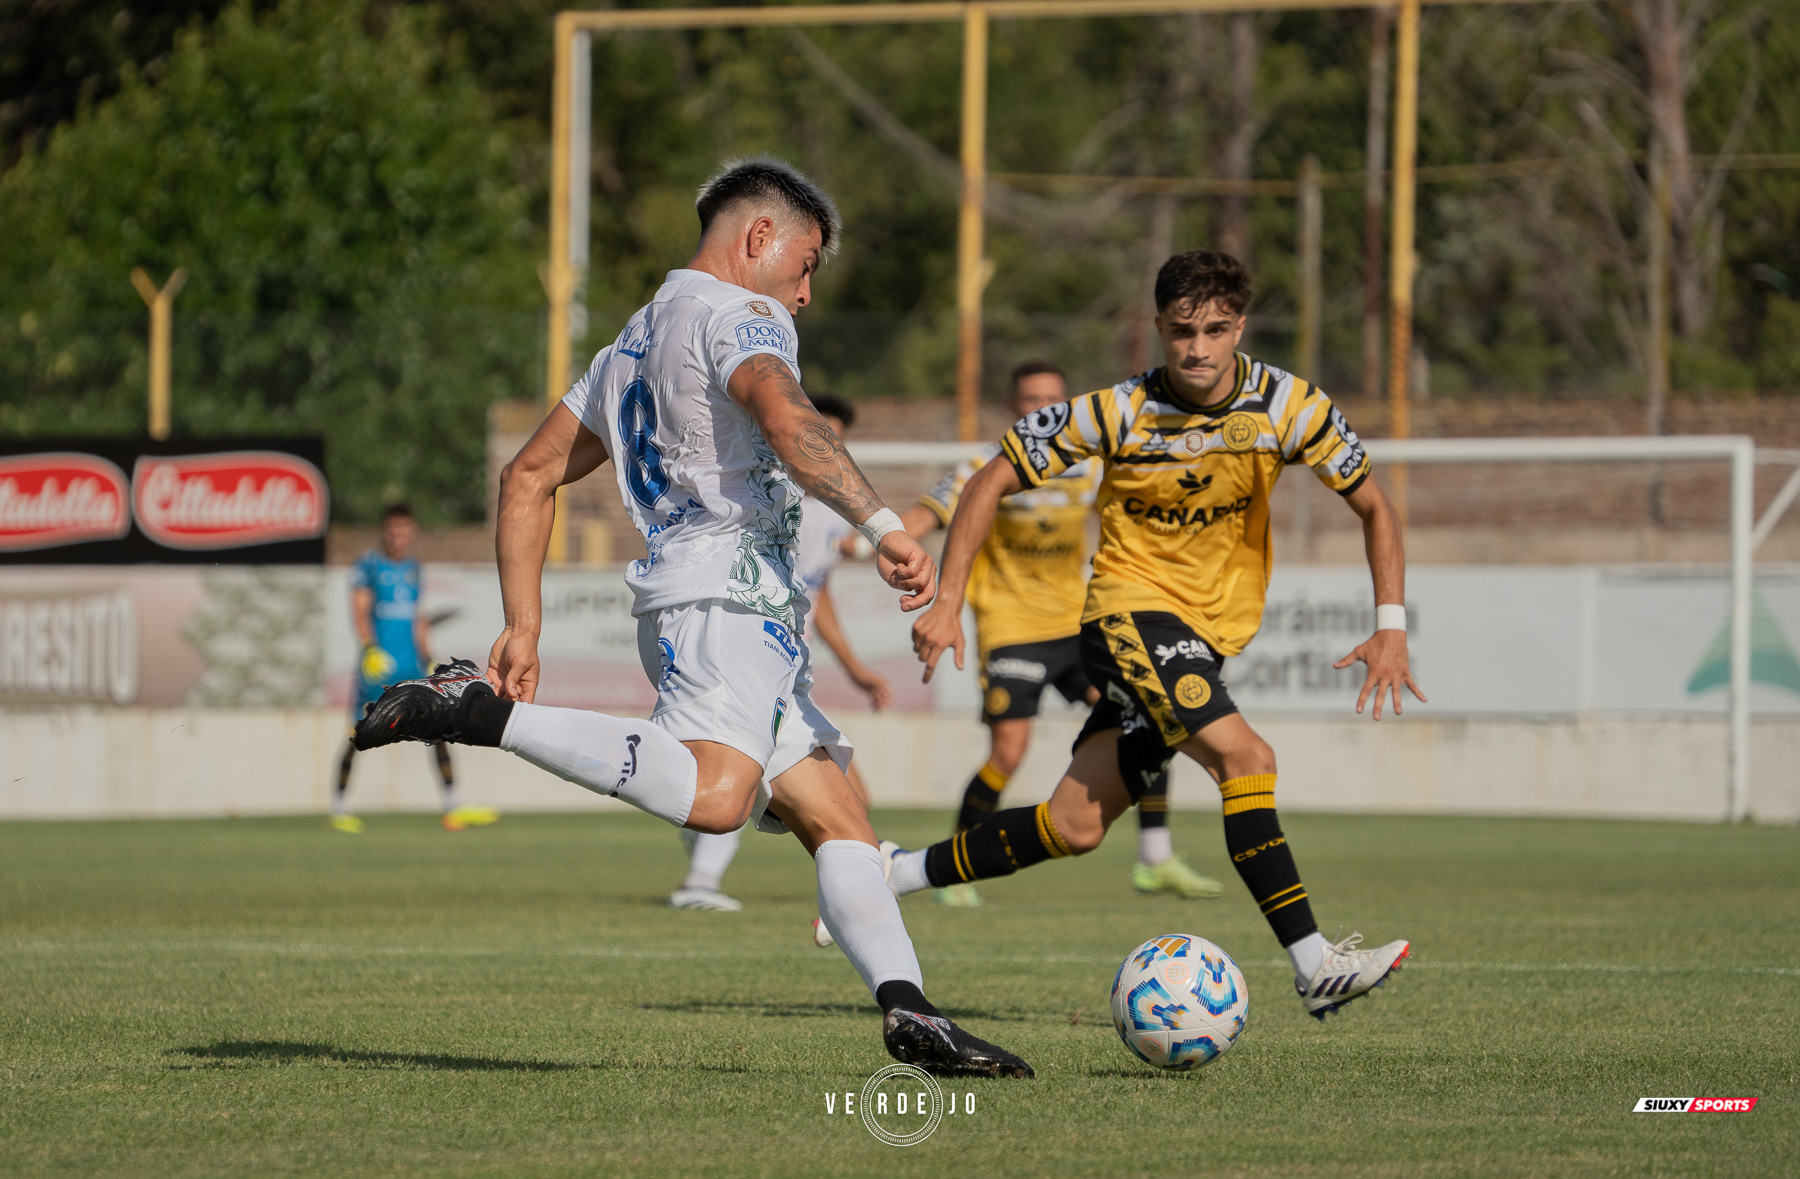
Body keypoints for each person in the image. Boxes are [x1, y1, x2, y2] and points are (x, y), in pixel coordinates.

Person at [355, 157, 1032, 1077]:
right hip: (724, 597)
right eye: (805, 266)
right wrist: (879, 524)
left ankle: (912, 1015)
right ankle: (476, 712)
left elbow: (528, 474)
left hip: (711, 603)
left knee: (840, 819)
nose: (802, 295)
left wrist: (525, 619)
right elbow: (788, 417)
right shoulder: (738, 315)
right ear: (759, 240)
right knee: (717, 800)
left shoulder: (629, 342)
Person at [891, 249, 1423, 1021]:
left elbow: (1376, 506)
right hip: (1128, 615)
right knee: (1248, 757)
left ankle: (892, 874)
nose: (1197, 349)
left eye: (1214, 330)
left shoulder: (1291, 406)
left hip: (1206, 634)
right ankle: (1314, 964)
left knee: (1074, 825)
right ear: (1158, 328)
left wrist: (1390, 626)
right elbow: (992, 477)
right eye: (1181, 332)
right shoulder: (1115, 411)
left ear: (1239, 327)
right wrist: (947, 597)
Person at [896, 361, 1221, 906]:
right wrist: (871, 540)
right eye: (1029, 400)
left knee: (1149, 714)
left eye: (1051, 399)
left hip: (1075, 625)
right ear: (1011, 406)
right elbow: (925, 516)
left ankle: (1155, 859)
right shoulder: (984, 466)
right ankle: (952, 867)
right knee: (1009, 752)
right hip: (1011, 629)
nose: (1040, 409)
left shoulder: (1088, 467)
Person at [668, 392, 892, 919]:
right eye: (811, 432)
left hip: (788, 663)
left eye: (829, 437)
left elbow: (821, 598)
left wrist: (857, 672)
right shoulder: (763, 496)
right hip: (748, 651)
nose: (818, 445)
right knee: (763, 784)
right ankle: (705, 878)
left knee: (840, 796)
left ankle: (852, 905)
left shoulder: (830, 518)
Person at [333, 502, 498, 834]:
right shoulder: (368, 566)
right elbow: (360, 612)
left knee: (438, 730)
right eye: (393, 530)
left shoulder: (413, 568)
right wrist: (369, 649)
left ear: (410, 532)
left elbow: (418, 619)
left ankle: (453, 806)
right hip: (377, 668)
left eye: (404, 530)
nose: (398, 537)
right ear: (385, 530)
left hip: (411, 666)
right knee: (360, 731)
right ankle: (339, 807)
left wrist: (429, 658)